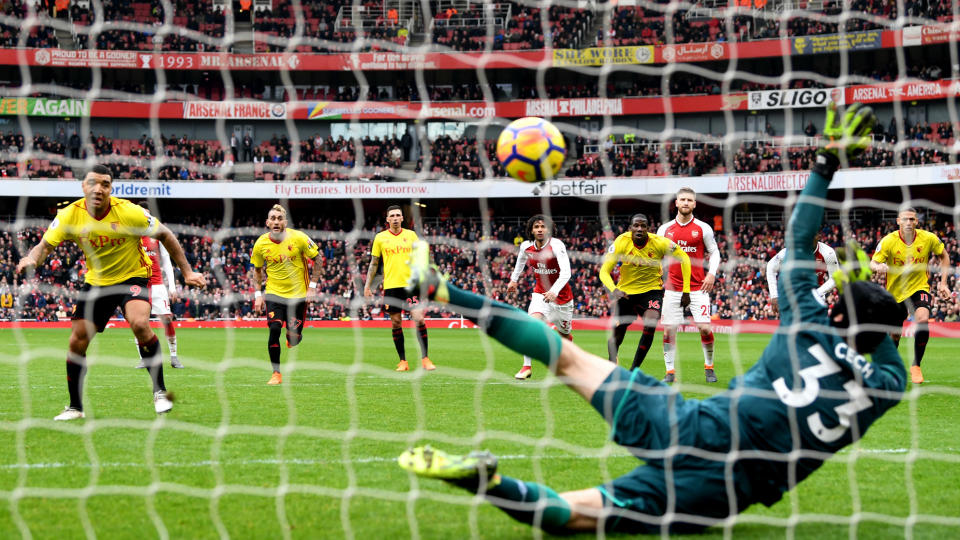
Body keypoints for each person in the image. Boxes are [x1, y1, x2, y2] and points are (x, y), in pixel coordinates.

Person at [398, 102, 906, 534]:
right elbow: (885, 334)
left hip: (694, 424)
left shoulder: (806, 324)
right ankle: (492, 484)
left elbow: (798, 240)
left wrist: (825, 163)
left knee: (568, 359)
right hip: (730, 488)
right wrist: (868, 305)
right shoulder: (888, 383)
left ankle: (446, 291)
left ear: (833, 308)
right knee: (583, 515)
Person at [16, 164, 206, 420]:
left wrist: (188, 272)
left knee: (140, 323)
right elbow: (44, 247)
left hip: (133, 276)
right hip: (97, 282)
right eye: (93, 183)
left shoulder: (129, 212)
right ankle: (75, 407)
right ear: (83, 186)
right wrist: (31, 259)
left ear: (111, 188)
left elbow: (166, 234)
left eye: (105, 184)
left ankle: (159, 392)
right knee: (77, 340)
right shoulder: (69, 216)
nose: (99, 189)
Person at [869, 207, 952, 384]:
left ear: (917, 221)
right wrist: (878, 267)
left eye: (912, 219)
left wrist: (943, 282)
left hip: (919, 287)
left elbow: (944, 257)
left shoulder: (928, 238)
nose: (909, 222)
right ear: (898, 221)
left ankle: (916, 366)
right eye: (905, 219)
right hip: (895, 294)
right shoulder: (888, 241)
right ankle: (891, 369)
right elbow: (873, 263)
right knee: (895, 335)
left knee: (922, 320)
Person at [600, 214, 691, 370]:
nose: (640, 229)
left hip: (651, 291)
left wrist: (686, 291)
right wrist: (614, 290)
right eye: (636, 226)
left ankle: (633, 371)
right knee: (618, 332)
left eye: (643, 226)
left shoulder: (660, 243)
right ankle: (612, 361)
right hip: (626, 293)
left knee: (650, 325)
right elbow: (604, 271)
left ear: (648, 229)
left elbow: (685, 258)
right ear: (630, 228)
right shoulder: (621, 242)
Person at [251, 204, 323, 385]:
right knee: (274, 329)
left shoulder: (299, 238)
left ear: (285, 222)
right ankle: (276, 373)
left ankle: (294, 337)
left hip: (298, 295)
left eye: (279, 218)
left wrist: (312, 287)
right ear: (267, 223)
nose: (276, 221)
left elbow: (318, 259)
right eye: (273, 218)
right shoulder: (260, 244)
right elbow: (257, 271)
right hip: (274, 294)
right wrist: (258, 295)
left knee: (294, 338)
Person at [657, 188, 721, 383]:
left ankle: (709, 366)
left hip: (698, 288)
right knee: (669, 330)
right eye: (682, 199)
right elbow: (657, 255)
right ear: (676, 203)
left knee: (704, 328)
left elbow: (715, 252)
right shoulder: (664, 230)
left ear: (694, 204)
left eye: (689, 200)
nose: (686, 203)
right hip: (672, 287)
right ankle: (670, 372)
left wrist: (711, 274)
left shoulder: (703, 228)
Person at [364, 205, 435, 372]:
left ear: (402, 218)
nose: (395, 218)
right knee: (396, 323)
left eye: (398, 215)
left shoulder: (411, 235)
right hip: (391, 286)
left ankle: (425, 358)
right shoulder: (380, 238)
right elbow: (374, 263)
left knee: (419, 318)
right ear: (387, 219)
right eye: (392, 216)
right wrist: (368, 286)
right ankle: (403, 361)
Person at [507, 214, 574, 380]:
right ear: (531, 230)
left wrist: (555, 291)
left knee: (564, 334)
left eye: (543, 227)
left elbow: (567, 272)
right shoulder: (526, 246)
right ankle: (526, 367)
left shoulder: (557, 245)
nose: (539, 230)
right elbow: (520, 262)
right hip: (540, 294)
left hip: (562, 298)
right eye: (536, 227)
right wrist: (513, 280)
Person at [135, 233, 183, 369]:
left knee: (167, 319)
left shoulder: (157, 237)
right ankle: (143, 358)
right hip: (140, 285)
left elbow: (167, 261)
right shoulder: (133, 237)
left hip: (157, 285)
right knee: (138, 322)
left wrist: (172, 287)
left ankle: (174, 356)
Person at [766, 232, 840, 315]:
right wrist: (774, 295)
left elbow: (835, 278)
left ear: (818, 236)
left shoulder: (828, 253)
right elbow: (770, 266)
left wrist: (817, 293)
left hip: (817, 295)